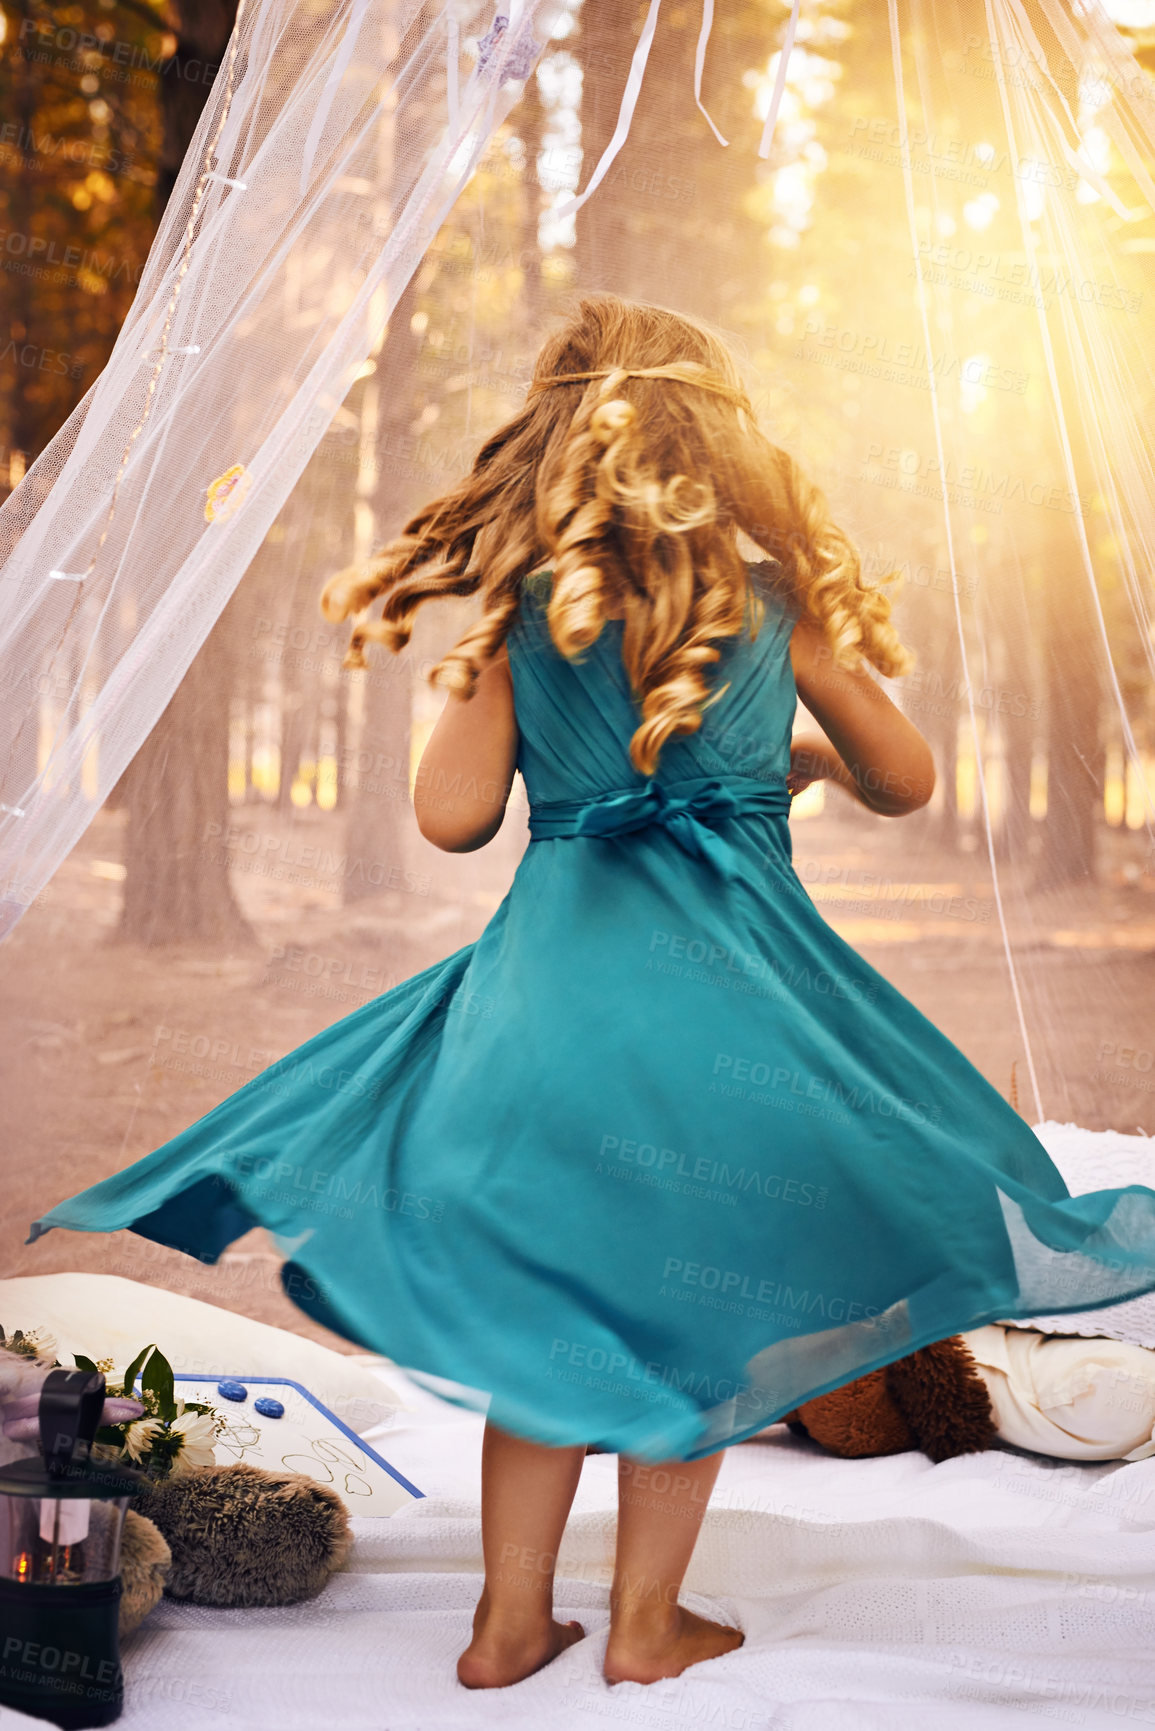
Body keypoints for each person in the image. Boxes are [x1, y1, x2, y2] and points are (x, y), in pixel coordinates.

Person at [29, 293, 1155, 1689]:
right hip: (739, 1016)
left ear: (555, 448)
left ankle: (508, 1630)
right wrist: (779, 759)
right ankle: (643, 1625)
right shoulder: (769, 605)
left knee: (555, 1325)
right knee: (695, 1322)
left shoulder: (523, 622)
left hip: (548, 1019)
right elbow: (907, 779)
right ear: (724, 446)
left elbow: (450, 819)